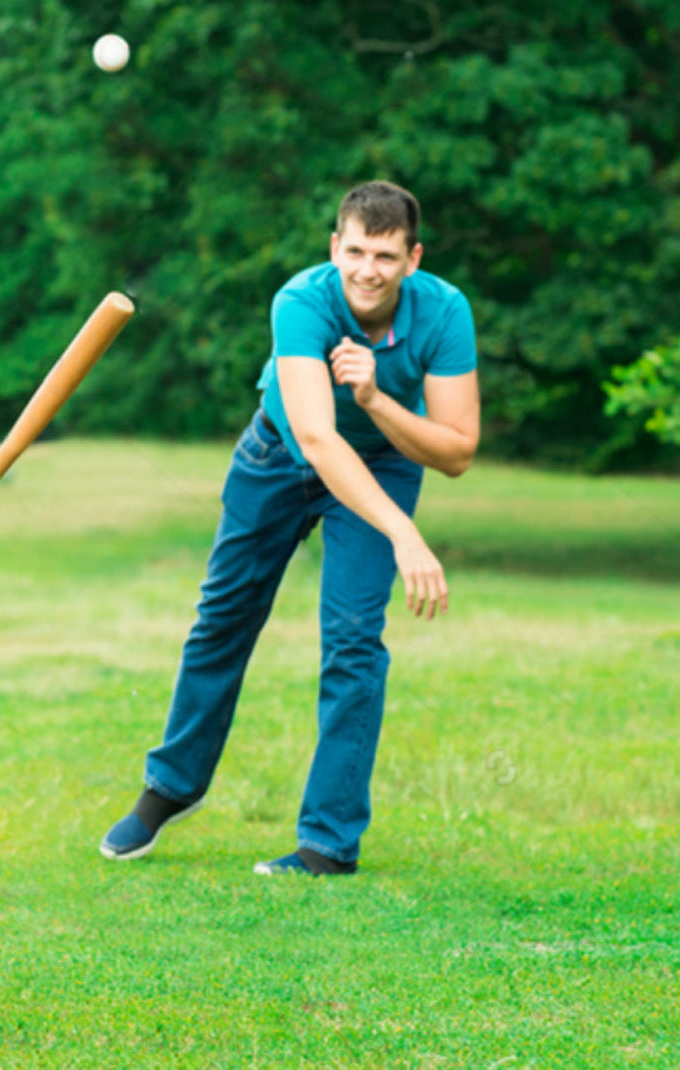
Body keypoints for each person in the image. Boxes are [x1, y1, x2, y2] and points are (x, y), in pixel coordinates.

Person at [100, 181, 479, 876]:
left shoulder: (445, 312)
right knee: (224, 617)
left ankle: (327, 845)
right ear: (336, 247)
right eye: (356, 251)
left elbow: (456, 449)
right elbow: (316, 435)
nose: (369, 270)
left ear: (413, 260)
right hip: (280, 453)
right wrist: (406, 535)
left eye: (387, 256)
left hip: (382, 465)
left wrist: (375, 397)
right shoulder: (302, 301)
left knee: (354, 643)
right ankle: (170, 790)